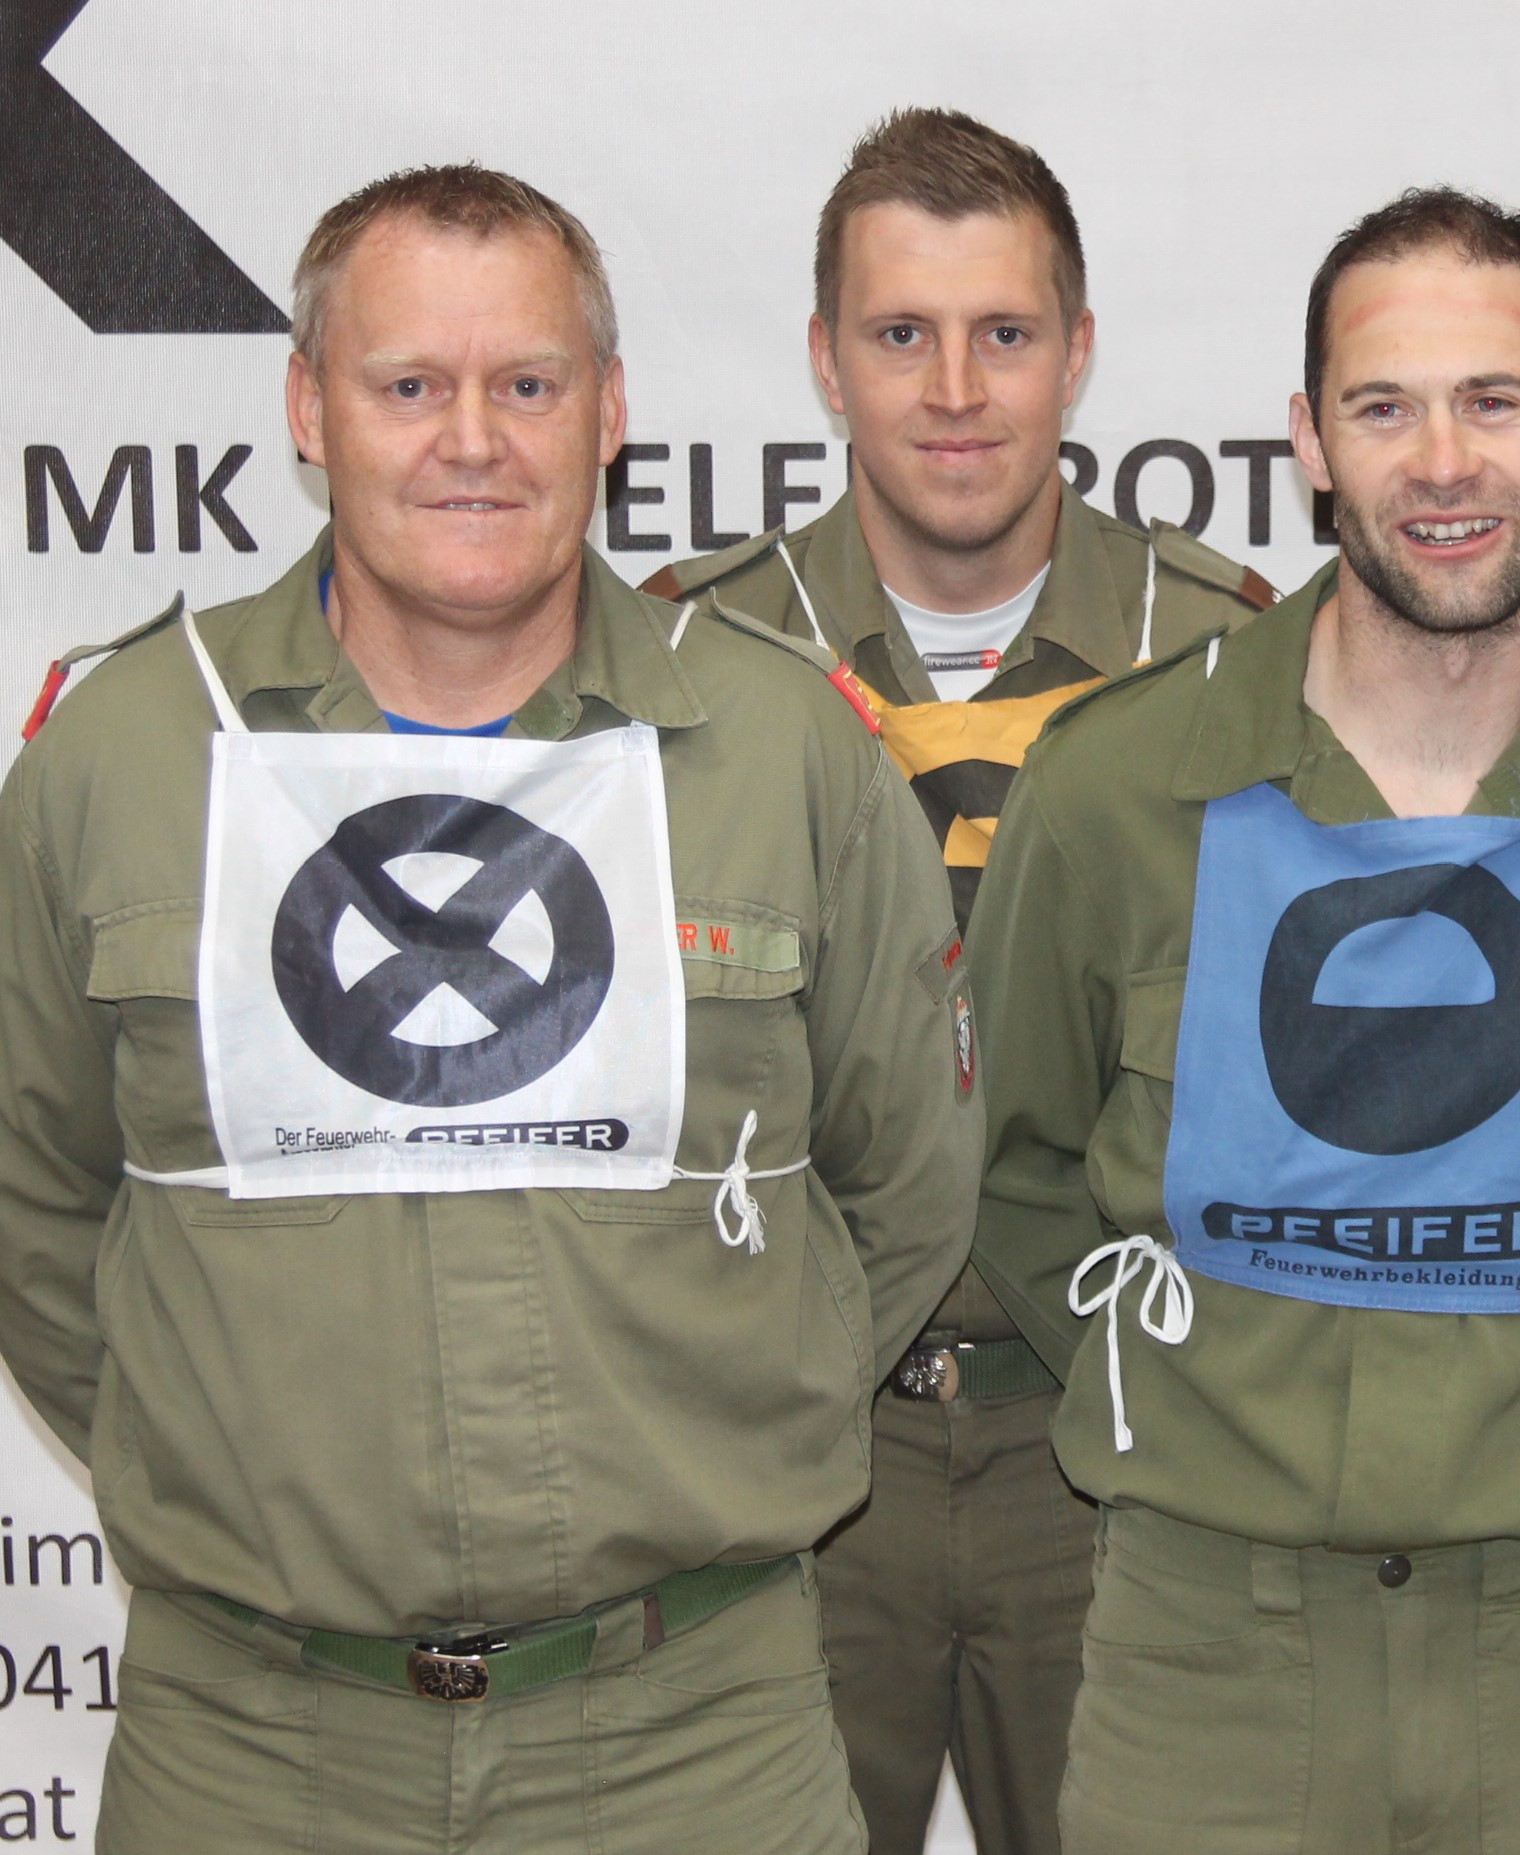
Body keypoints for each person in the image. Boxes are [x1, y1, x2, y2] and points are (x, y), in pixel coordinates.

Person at [0, 164, 981, 1853]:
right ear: (308, 410)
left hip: (697, 1744)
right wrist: (219, 1456)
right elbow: (34, 1204)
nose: (474, 440)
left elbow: (903, 1185)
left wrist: (729, 1434)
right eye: (409, 386)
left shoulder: (789, 752)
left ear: (610, 411)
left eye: (528, 383)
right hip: (253, 1752)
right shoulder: (120, 758)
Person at [968, 187, 1520, 1855]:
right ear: (1309, 441)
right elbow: (1011, 1168)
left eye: (1494, 402)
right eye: (1384, 408)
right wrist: (1209, 1390)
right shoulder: (1111, 793)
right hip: (1200, 1657)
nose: (1443, 465)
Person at [646, 107, 1273, 1855]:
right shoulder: (686, 654)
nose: (954, 391)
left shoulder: (1232, 655)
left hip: (1120, 1453)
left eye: (1004, 332)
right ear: (825, 361)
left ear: (1079, 351)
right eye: (899, 333)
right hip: (785, 1463)